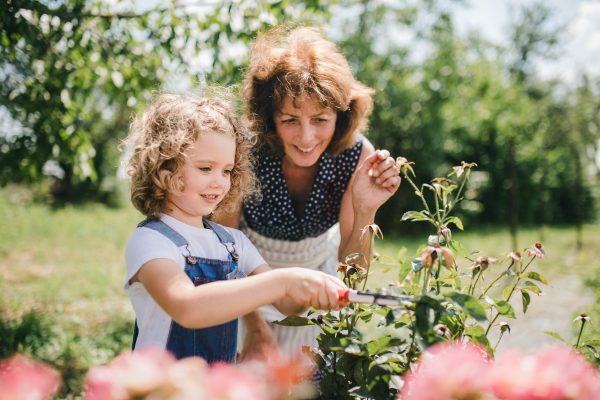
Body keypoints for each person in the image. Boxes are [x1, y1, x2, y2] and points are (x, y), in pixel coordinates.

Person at [215, 26, 401, 362]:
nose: (306, 136)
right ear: (269, 116)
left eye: (320, 119)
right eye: (289, 119)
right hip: (248, 280)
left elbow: (352, 270)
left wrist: (365, 210)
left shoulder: (356, 155)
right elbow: (226, 245)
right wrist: (255, 325)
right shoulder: (244, 149)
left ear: (341, 115)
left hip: (320, 278)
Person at [121, 90, 346, 363]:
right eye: (206, 168)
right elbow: (187, 307)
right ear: (164, 168)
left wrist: (312, 290)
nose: (219, 182)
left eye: (227, 170)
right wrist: (286, 280)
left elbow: (285, 305)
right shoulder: (151, 241)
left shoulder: (234, 243)